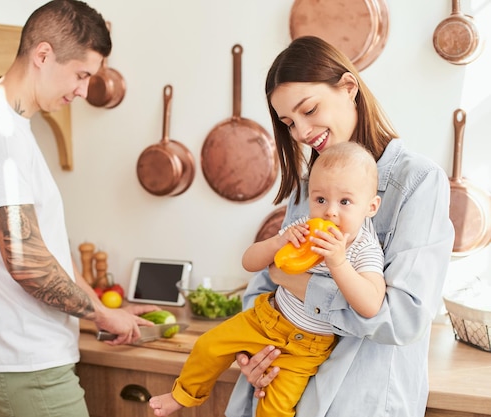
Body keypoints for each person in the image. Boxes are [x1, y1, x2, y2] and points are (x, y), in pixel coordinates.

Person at [0, 2, 158, 416]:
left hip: (25, 357)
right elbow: (27, 262)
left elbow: (48, 249)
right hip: (24, 359)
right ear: (42, 55)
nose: (83, 90)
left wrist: (103, 307)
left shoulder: (11, 128)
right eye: (81, 75)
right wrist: (100, 314)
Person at [225, 36, 454, 417]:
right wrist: (251, 355)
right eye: (289, 123)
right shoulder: (311, 183)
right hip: (280, 389)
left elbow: (403, 319)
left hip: (359, 401)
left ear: (349, 88)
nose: (300, 132)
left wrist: (297, 280)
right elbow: (262, 287)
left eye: (309, 109)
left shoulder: (417, 182)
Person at [150, 141, 385, 417]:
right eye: (320, 200)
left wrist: (339, 263)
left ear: (371, 206)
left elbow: (371, 305)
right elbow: (249, 262)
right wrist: (277, 243)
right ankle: (183, 395)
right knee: (207, 345)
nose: (330, 212)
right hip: (264, 319)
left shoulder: (364, 249)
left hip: (304, 349)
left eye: (345, 202)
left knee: (274, 408)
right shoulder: (301, 230)